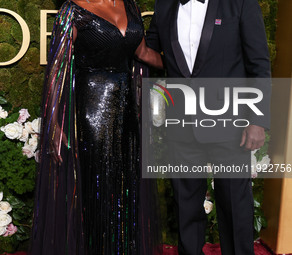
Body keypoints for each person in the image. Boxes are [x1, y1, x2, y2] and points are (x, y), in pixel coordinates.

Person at [30, 0, 163, 254]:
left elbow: (143, 53)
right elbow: (58, 68)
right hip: (90, 112)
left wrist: (188, 68)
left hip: (126, 113)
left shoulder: (130, 5)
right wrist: (55, 124)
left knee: (125, 190)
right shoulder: (73, 10)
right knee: (96, 191)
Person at [146, 0, 271, 254]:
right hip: (181, 125)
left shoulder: (241, 4)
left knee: (236, 207)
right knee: (185, 209)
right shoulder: (164, 6)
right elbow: (148, 51)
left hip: (230, 125)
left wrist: (258, 120)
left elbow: (258, 63)